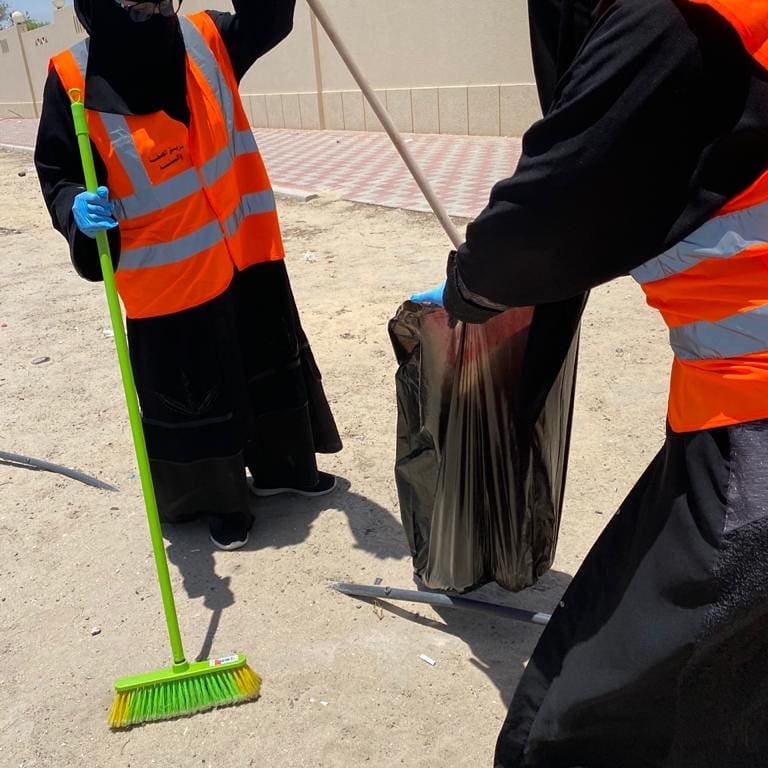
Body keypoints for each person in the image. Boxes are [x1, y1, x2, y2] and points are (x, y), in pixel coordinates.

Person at [414, 0, 768, 765]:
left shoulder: (675, 22)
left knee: (580, 721)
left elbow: (560, 211)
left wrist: (474, 284)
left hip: (755, 425)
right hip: (733, 408)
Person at [35, 0, 342, 551]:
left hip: (243, 248)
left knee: (263, 359)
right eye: (137, 5)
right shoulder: (72, 78)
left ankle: (283, 468)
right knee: (196, 387)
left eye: (161, 1)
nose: (154, 13)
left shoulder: (204, 38)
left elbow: (268, 19)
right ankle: (217, 504)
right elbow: (57, 170)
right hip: (166, 280)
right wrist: (75, 208)